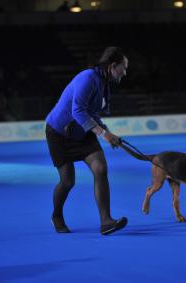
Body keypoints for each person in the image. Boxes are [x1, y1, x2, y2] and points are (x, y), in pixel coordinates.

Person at [45, 46, 128, 235]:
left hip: (82, 132)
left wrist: (106, 130)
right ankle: (56, 216)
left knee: (100, 168)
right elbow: (78, 111)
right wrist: (105, 135)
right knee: (67, 181)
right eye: (123, 68)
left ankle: (106, 222)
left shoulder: (103, 82)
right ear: (112, 66)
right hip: (59, 133)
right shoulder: (88, 78)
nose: (125, 72)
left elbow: (91, 113)